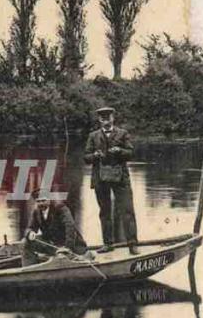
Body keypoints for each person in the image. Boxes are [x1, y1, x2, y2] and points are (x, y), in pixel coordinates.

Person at [83, 107, 139, 255]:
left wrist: (120, 151)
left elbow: (131, 154)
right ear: (99, 120)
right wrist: (95, 155)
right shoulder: (93, 136)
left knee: (127, 210)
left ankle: (132, 244)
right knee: (105, 212)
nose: (105, 120)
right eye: (102, 117)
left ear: (113, 117)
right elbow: (86, 158)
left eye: (108, 117)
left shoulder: (123, 133)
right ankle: (108, 244)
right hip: (100, 179)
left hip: (120, 178)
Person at [22, 188, 89, 266]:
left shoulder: (60, 208)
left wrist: (67, 247)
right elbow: (30, 227)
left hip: (69, 245)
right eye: (38, 201)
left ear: (49, 200)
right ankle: (29, 268)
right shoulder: (36, 212)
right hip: (52, 245)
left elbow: (70, 227)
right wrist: (30, 233)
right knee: (26, 242)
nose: (41, 204)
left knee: (65, 255)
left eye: (43, 200)